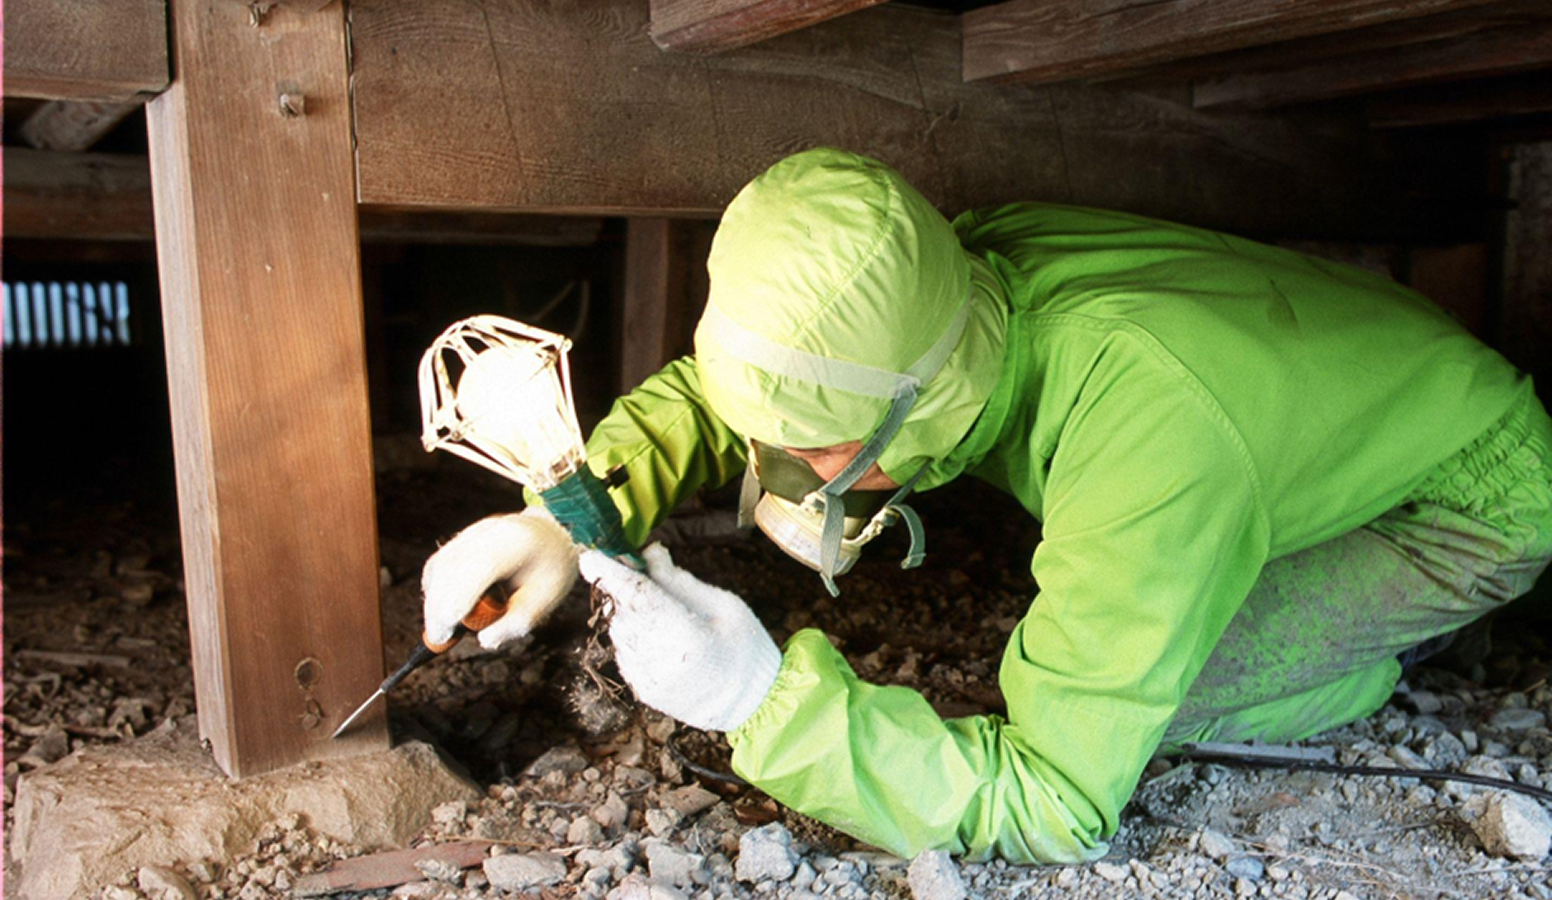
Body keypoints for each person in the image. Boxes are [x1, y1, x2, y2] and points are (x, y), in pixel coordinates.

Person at [421, 148, 1552, 863]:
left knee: (1166, 692)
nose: (772, 465)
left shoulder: (1145, 442)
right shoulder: (936, 287)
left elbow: (1059, 799)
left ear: (914, 411)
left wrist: (763, 702)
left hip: (1465, 493)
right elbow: (762, 393)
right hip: (1330, 382)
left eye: (803, 448)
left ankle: (1408, 649)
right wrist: (560, 514)